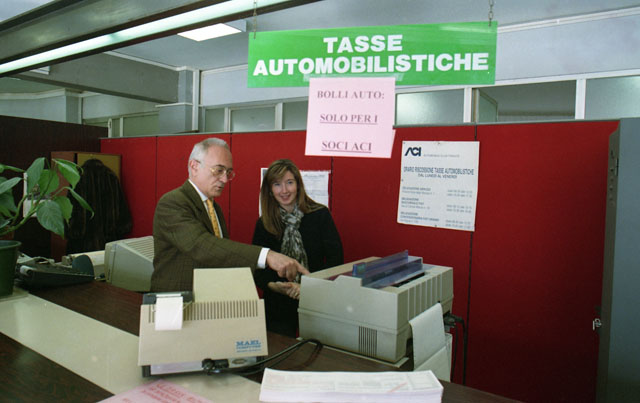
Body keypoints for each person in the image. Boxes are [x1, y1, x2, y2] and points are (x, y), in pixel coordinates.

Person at [151, 138, 308, 292]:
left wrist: (270, 283)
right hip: (177, 300)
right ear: (194, 166)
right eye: (219, 170)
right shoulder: (173, 202)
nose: (225, 179)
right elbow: (202, 245)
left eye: (228, 172)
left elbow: (222, 256)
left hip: (208, 296)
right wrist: (267, 256)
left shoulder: (214, 207)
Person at [252, 159, 343, 336]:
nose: (284, 190)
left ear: (298, 185)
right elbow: (258, 269)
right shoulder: (264, 224)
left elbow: (336, 260)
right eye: (277, 184)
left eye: (289, 182)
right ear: (270, 190)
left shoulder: (320, 215)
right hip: (277, 305)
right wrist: (276, 286)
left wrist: (307, 286)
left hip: (316, 299)